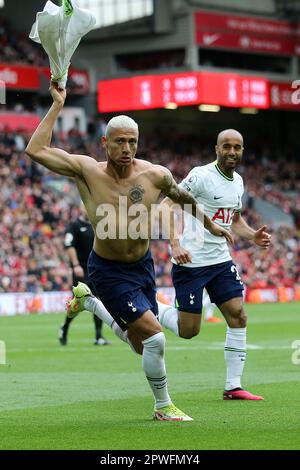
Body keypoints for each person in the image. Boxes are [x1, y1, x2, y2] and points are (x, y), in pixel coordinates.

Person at [25, 83, 232, 421]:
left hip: (142, 268)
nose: (126, 147)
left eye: (132, 141)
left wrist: (209, 226)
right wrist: (57, 103)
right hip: (107, 270)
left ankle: (89, 302)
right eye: (119, 141)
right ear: (105, 142)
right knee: (155, 339)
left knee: (139, 344)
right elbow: (36, 149)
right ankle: (163, 406)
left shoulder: (156, 175)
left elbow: (183, 198)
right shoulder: (87, 169)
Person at [158, 129, 271, 400]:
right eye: (227, 147)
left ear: (243, 150)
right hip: (191, 263)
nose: (232, 152)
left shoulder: (239, 182)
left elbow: (233, 219)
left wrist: (252, 235)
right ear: (217, 149)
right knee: (189, 331)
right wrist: (175, 244)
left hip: (220, 261)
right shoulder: (200, 176)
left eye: (238, 147)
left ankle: (233, 386)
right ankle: (153, 303)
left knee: (238, 315)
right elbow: (165, 205)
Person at [58, 203, 110, 346]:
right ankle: (65, 327)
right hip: (81, 270)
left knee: (98, 301)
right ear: (81, 209)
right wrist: (75, 265)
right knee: (78, 303)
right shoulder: (74, 226)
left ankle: (98, 336)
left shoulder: (97, 225)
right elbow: (69, 245)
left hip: (96, 270)